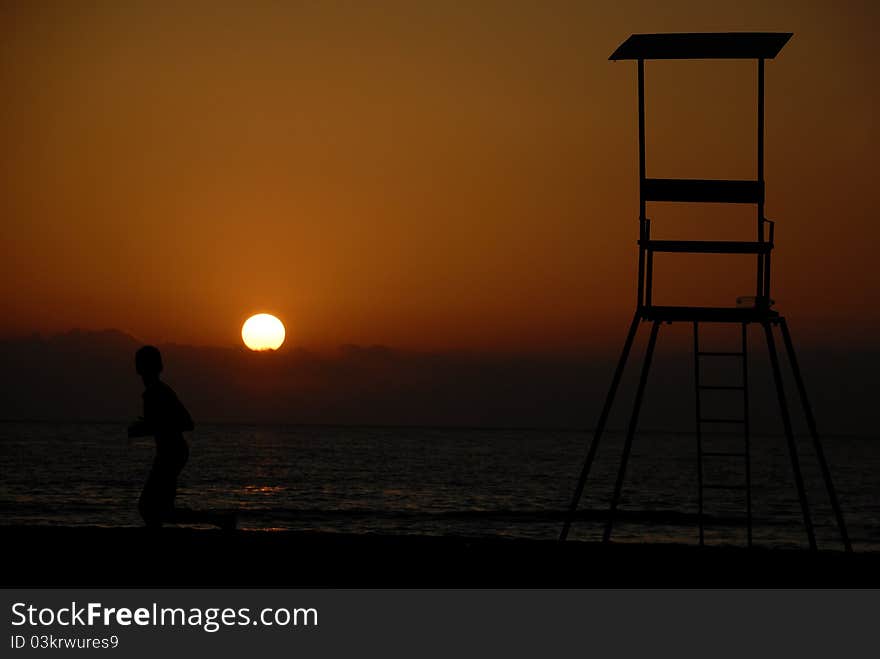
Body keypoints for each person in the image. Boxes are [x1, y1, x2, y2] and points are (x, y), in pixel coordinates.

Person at [128, 345, 234, 530]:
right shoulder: (155, 392)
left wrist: (147, 427)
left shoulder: (158, 392)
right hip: (170, 452)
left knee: (149, 507)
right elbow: (166, 423)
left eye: (141, 363)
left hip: (172, 453)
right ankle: (219, 520)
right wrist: (150, 425)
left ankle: (219, 519)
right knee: (156, 509)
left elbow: (186, 422)